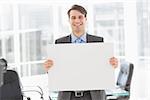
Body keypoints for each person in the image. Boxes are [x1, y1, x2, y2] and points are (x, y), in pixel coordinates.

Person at [44, 4, 118, 100]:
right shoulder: (60, 43)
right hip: (68, 96)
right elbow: (56, 73)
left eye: (80, 17)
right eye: (73, 18)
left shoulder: (98, 41)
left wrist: (112, 65)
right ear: (69, 20)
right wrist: (48, 68)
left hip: (93, 96)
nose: (77, 21)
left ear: (85, 19)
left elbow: (103, 70)